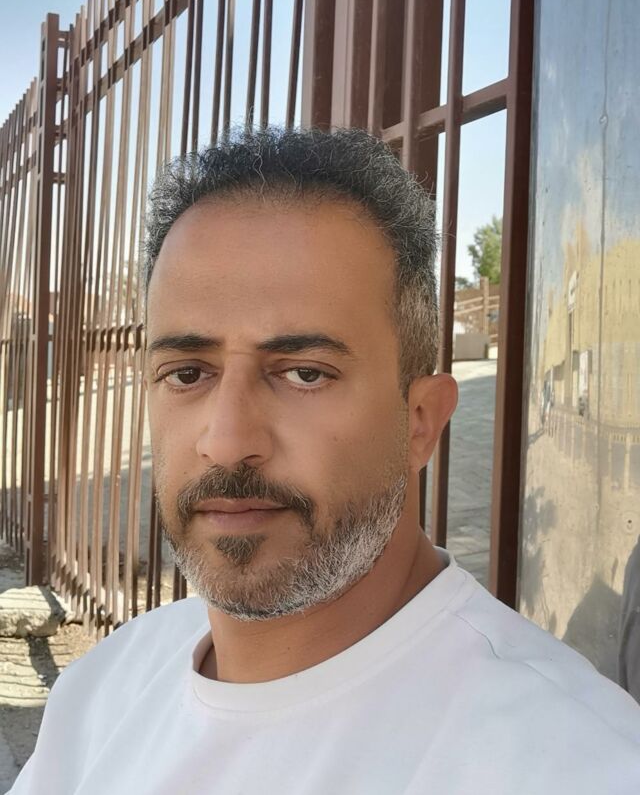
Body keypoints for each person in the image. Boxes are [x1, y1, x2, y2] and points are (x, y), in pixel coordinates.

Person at [10, 128, 640, 794]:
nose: (226, 441)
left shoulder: (577, 764)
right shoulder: (100, 694)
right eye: (187, 372)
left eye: (305, 373)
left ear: (420, 421)